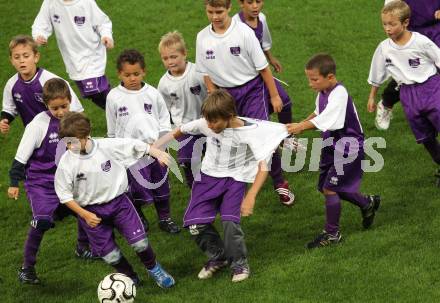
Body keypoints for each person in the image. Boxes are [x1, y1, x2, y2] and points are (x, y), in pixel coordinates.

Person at [156, 89, 289, 282]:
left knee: (230, 223)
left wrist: (250, 196)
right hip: (208, 177)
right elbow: (181, 130)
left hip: (235, 180)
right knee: (195, 225)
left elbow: (263, 167)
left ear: (229, 116)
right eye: (207, 121)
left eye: (214, 122)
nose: (210, 126)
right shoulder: (207, 123)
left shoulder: (249, 134)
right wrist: (157, 147)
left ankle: (239, 264)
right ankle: (218, 257)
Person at [54, 112, 176, 288]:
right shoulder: (66, 163)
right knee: (110, 255)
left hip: (119, 204)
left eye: (73, 141)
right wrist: (85, 214)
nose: (69, 146)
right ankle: (129, 277)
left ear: (86, 135)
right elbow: (64, 196)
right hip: (90, 212)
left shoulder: (107, 146)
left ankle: (154, 268)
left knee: (140, 244)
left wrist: (157, 153)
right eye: (66, 142)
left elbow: (136, 145)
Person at [196, 0, 295, 206]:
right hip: (224, 95)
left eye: (219, 11)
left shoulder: (243, 32)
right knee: (229, 138)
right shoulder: (202, 37)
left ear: (229, 8)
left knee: (261, 139)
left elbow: (263, 68)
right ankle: (233, 185)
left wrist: (275, 95)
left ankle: (279, 181)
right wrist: (213, 94)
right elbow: (204, 71)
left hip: (251, 90)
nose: (215, 16)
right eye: (210, 12)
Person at [288, 54, 380, 249]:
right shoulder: (323, 92)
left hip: (348, 147)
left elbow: (330, 119)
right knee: (326, 186)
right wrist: (301, 122)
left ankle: (332, 234)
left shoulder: (339, 93)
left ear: (329, 77)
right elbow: (319, 112)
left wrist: (301, 128)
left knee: (331, 188)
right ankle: (367, 203)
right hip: (331, 145)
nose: (310, 84)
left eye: (314, 79)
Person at [7, 79, 94, 285]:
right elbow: (20, 158)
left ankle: (83, 248)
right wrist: (13, 182)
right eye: (55, 108)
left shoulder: (75, 121)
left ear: (70, 101)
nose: (61, 112)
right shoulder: (37, 125)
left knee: (86, 208)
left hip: (66, 180)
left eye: (64, 106)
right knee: (42, 222)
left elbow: (86, 147)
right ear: (46, 105)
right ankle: (26, 268)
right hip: (41, 183)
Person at [106, 49, 180, 234]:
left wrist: (162, 148)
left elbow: (164, 122)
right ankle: (139, 215)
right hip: (130, 154)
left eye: (136, 74)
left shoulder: (153, 94)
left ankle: (165, 218)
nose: (132, 78)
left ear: (144, 72)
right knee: (137, 189)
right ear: (119, 74)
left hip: (156, 149)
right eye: (127, 75)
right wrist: (116, 155)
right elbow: (112, 131)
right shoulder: (113, 97)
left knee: (161, 186)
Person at [368, 0, 440, 185]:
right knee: (425, 136)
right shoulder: (385, 47)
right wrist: (372, 95)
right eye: (385, 24)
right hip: (409, 94)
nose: (387, 28)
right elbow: (378, 72)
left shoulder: (421, 42)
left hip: (431, 85)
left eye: (391, 24)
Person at [32, 0, 113, 109]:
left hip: (91, 57)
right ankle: (126, 110)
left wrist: (106, 36)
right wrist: (40, 35)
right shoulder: (51, 2)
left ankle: (126, 114)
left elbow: (102, 23)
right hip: (72, 61)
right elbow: (40, 23)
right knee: (97, 94)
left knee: (96, 92)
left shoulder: (86, 2)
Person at [372, 0, 440, 130]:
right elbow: (391, 9)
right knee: (409, 74)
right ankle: (387, 103)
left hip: (437, 29)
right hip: (412, 32)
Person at [1, 35, 83, 134]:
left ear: (36, 57)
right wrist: (5, 120)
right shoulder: (11, 84)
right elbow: (9, 108)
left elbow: (76, 109)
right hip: (34, 135)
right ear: (11, 61)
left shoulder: (53, 81)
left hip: (59, 132)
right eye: (16, 57)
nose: (21, 60)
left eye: (26, 56)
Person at [157, 31, 207, 188]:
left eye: (173, 57)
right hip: (184, 129)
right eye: (165, 58)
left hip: (207, 124)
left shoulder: (199, 72)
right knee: (188, 162)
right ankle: (196, 190)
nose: (170, 61)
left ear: (184, 54)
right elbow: (163, 111)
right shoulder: (164, 84)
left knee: (216, 158)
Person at [233, 0, 293, 125]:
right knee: (257, 121)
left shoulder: (262, 18)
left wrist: (271, 58)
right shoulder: (235, 25)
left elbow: (263, 41)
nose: (255, 6)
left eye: (258, 1)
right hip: (248, 80)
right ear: (241, 3)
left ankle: (288, 139)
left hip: (262, 72)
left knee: (285, 102)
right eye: (250, 2)